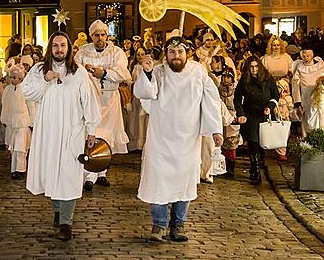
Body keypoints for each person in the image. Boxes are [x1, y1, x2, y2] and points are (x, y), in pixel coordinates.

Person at [134, 36, 223, 243]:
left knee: (185, 181)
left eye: (180, 52)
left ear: (187, 53)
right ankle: (159, 224)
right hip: (160, 137)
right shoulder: (158, 71)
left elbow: (210, 100)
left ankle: (178, 224)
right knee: (158, 180)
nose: (176, 56)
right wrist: (146, 72)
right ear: (166, 53)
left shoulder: (198, 72)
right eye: (172, 52)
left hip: (187, 139)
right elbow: (143, 93)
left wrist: (215, 130)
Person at [21, 31, 100, 241]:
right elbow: (26, 92)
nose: (59, 50)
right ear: (50, 48)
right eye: (55, 46)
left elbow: (89, 102)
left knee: (69, 174)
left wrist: (91, 130)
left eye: (63, 45)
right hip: (47, 131)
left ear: (69, 47)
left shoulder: (79, 73)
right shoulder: (39, 70)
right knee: (50, 172)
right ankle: (58, 209)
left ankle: (66, 222)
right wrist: (44, 81)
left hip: (72, 132)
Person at [75, 19, 131, 191]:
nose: (100, 38)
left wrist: (104, 72)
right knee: (91, 133)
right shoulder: (83, 52)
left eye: (103, 34)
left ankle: (102, 172)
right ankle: (88, 175)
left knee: (106, 136)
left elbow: (122, 71)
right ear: (91, 36)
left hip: (109, 99)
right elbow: (75, 70)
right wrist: (87, 71)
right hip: (90, 99)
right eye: (96, 35)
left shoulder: (116, 52)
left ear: (107, 35)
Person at [234, 55, 279, 184]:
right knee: (253, 142)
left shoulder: (268, 79)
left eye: (256, 67)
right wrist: (240, 113)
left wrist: (270, 107)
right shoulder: (244, 81)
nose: (254, 69)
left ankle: (260, 162)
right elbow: (237, 99)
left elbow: (275, 95)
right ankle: (255, 169)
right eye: (251, 67)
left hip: (265, 113)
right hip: (250, 114)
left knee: (262, 143)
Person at [1, 64, 32, 179]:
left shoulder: (25, 89)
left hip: (22, 122)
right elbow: (4, 105)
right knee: (13, 147)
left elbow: (30, 105)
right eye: (11, 77)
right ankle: (14, 168)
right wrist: (4, 118)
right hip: (11, 121)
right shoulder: (8, 89)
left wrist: (32, 122)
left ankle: (20, 169)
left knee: (20, 147)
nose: (12, 80)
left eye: (15, 78)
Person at [292, 48, 324, 136]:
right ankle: (308, 139)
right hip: (306, 96)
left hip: (320, 95)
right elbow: (295, 85)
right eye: (303, 56)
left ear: (312, 55)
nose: (305, 58)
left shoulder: (321, 65)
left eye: (308, 56)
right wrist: (297, 102)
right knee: (307, 117)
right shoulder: (300, 68)